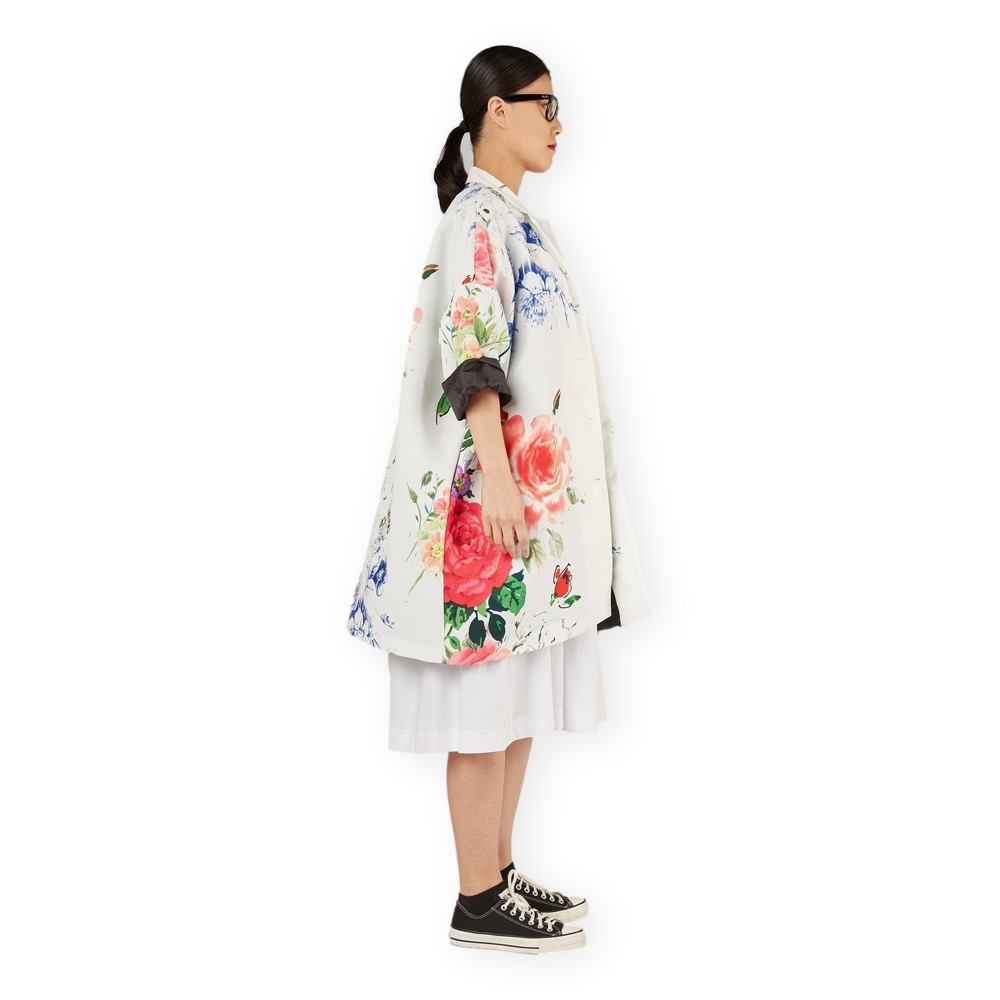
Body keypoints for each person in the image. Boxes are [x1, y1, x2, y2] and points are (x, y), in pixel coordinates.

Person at [346, 44, 652, 954]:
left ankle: (498, 872)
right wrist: (504, 481)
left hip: (519, 512)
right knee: (483, 708)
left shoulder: (514, 219)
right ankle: (476, 897)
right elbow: (473, 356)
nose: (559, 123)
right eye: (543, 105)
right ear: (496, 111)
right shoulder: (476, 218)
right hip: (489, 506)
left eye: (559, 107)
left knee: (513, 701)